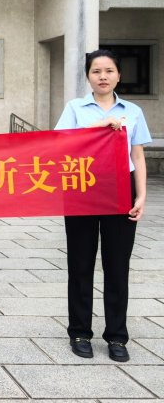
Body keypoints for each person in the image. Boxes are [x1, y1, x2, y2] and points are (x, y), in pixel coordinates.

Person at [55, 49, 150, 362]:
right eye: (96, 71)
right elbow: (61, 143)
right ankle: (80, 332)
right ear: (88, 76)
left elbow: (137, 156)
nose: (103, 76)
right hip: (81, 189)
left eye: (109, 71)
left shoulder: (133, 111)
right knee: (80, 264)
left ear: (119, 75)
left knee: (117, 265)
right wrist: (99, 126)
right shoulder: (75, 108)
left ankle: (117, 337)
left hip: (121, 190)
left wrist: (141, 195)